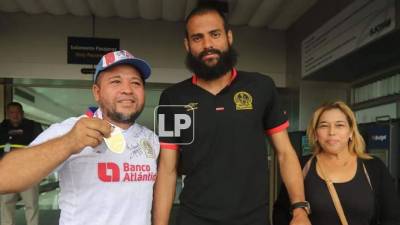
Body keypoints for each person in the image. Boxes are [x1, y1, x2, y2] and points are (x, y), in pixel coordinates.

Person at [153, 4, 310, 225]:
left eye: (215, 34)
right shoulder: (173, 98)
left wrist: (300, 208)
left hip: (252, 219)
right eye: (197, 38)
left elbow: (285, 152)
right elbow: (167, 170)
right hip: (194, 218)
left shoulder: (261, 86)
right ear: (187, 45)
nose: (208, 44)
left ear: (229, 37)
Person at [0, 50, 159, 225]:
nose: (127, 90)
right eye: (116, 81)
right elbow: (5, 177)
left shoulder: (151, 139)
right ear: (97, 92)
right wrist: (69, 142)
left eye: (135, 83)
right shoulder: (69, 130)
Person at [273, 101, 400, 225]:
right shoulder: (300, 166)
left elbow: (392, 217)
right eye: (324, 125)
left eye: (339, 125)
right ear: (315, 133)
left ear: (351, 132)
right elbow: (280, 213)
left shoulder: (374, 167)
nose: (332, 132)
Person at [0, 102, 43, 225]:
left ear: (22, 113)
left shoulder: (33, 126)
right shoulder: (1, 128)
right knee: (6, 204)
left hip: (29, 173)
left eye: (18, 112)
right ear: (8, 114)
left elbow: (43, 148)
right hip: (7, 174)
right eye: (12, 112)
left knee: (31, 204)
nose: (15, 115)